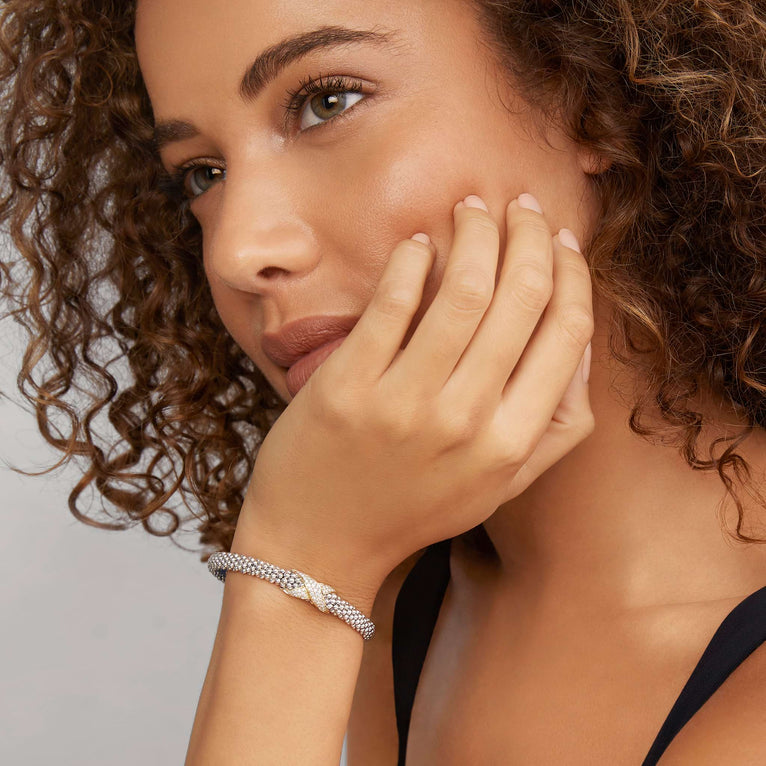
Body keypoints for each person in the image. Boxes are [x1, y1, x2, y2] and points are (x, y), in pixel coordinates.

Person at [1, 0, 765, 763]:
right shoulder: (407, 607)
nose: (237, 249)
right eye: (203, 174)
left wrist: (299, 571)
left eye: (326, 102)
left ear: (590, 99)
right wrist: (310, 567)